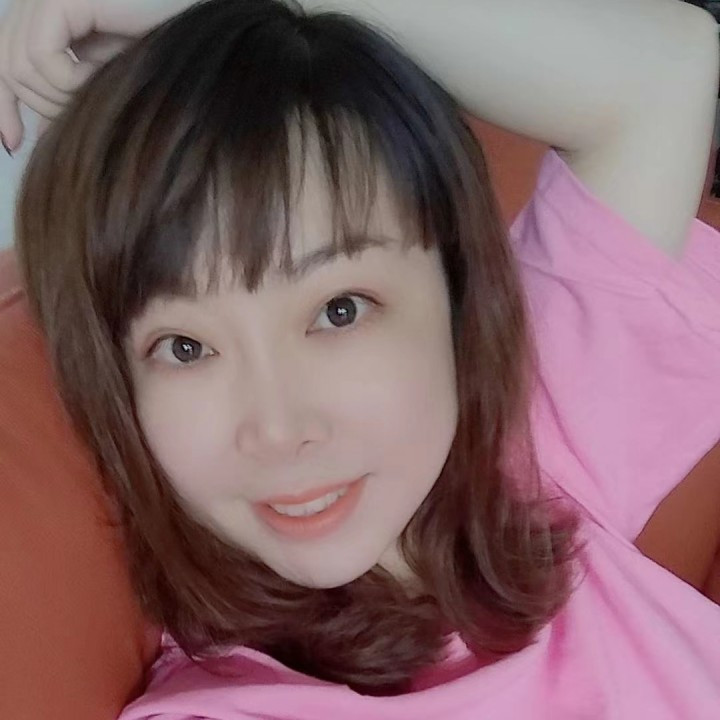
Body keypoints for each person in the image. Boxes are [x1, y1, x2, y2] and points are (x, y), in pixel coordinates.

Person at [3, 0, 720, 717]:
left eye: (338, 310)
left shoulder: (543, 448)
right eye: (185, 349)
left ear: (456, 294)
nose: (279, 431)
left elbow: (669, 70)